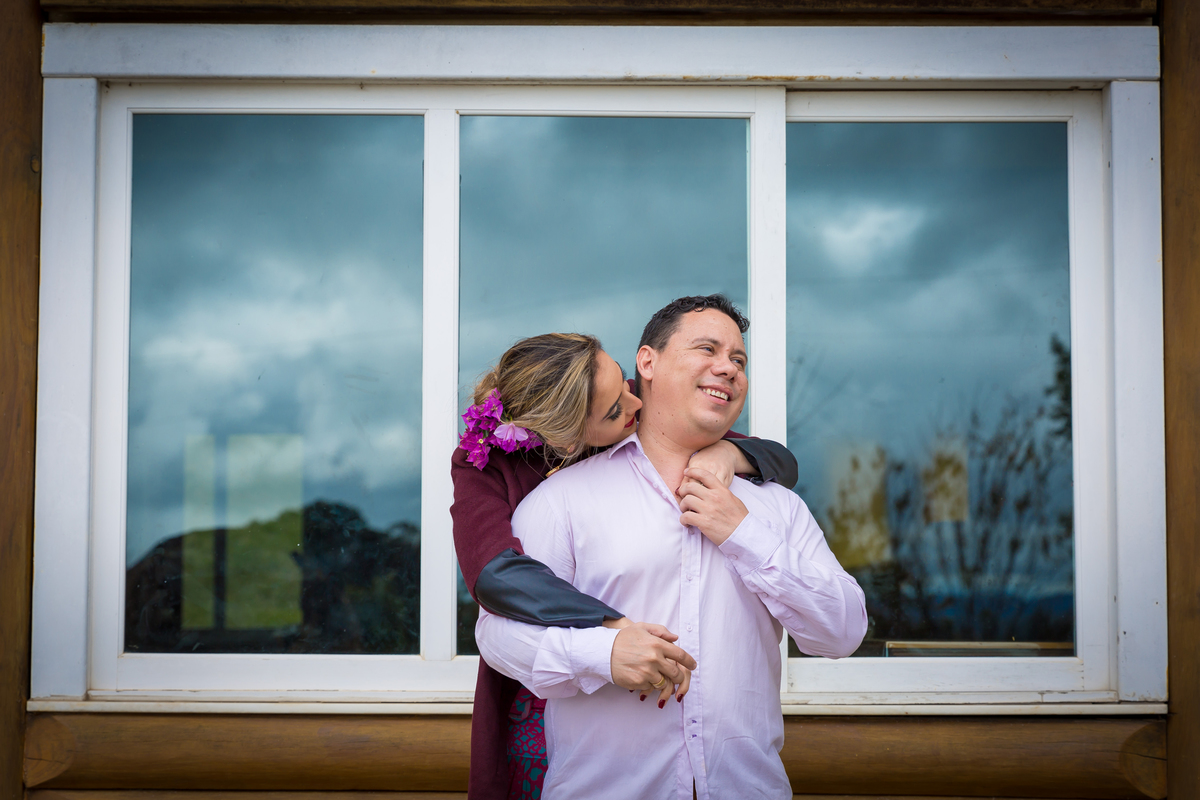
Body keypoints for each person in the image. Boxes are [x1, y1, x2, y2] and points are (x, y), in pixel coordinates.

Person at [474, 295, 868, 800]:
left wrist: (742, 533)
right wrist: (602, 652)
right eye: (708, 348)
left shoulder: (776, 509)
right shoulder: (561, 501)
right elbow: (498, 636)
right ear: (647, 363)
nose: (727, 367)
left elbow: (843, 632)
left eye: (739, 359)